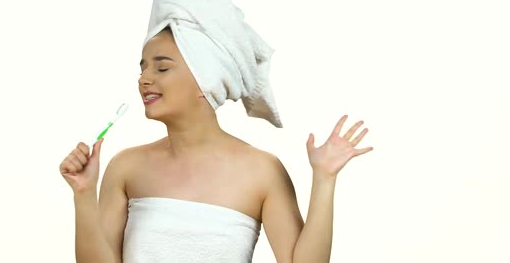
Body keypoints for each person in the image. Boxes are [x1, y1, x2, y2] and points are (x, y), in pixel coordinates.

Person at [59, 25, 374, 263]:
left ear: (206, 81)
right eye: (142, 67)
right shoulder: (126, 166)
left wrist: (324, 178)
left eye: (162, 67)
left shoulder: (262, 170)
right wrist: (84, 194)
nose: (144, 78)